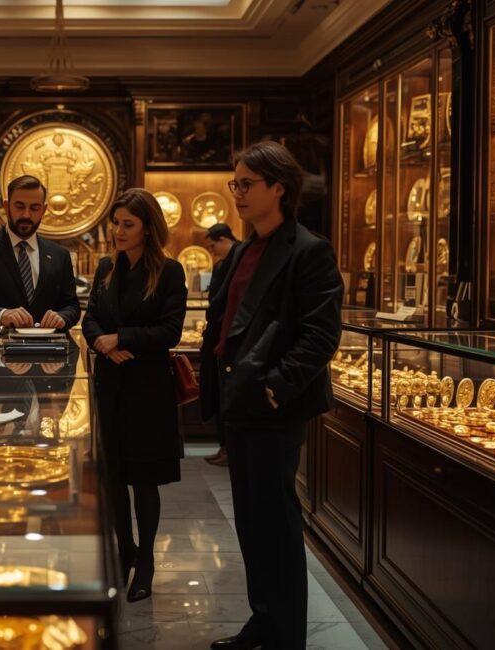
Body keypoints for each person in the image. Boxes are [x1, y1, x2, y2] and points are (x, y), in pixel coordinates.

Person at [205, 141, 343, 650]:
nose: (237, 193)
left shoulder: (308, 249)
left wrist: (275, 388)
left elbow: (320, 335)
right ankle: (262, 620)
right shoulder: (244, 249)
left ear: (278, 188)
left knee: (278, 526)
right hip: (238, 401)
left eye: (246, 184)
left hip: (271, 407)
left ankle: (286, 637)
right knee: (250, 522)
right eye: (234, 183)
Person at [82, 188, 186, 603]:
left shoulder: (169, 271)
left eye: (128, 224)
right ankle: (125, 550)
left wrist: (121, 338)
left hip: (147, 389)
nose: (118, 231)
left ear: (148, 228)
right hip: (110, 386)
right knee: (113, 479)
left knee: (143, 480)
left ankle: (146, 562)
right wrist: (103, 343)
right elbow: (90, 319)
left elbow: (170, 331)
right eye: (116, 223)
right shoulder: (107, 267)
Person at [0, 175, 80, 334]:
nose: (26, 215)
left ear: (44, 210)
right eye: (19, 206)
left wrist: (62, 317)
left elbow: (72, 306)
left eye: (34, 208)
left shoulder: (60, 255)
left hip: (49, 346)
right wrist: (1, 315)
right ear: (6, 206)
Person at [201, 222, 240, 466]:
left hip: (229, 339)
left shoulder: (240, 260)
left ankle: (230, 449)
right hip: (216, 337)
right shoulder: (221, 265)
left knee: (227, 397)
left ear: (225, 239)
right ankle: (224, 447)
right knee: (218, 395)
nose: (211, 250)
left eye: (213, 245)